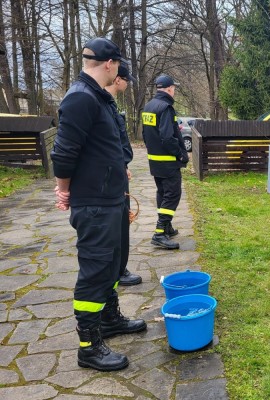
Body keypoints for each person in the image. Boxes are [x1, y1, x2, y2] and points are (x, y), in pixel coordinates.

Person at [51, 37, 146, 372]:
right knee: (95, 271)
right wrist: (64, 190)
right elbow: (63, 153)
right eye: (118, 65)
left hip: (111, 198)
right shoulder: (80, 98)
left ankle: (109, 318)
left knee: (114, 263)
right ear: (109, 64)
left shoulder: (99, 97)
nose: (118, 71)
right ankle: (89, 346)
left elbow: (106, 145)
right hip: (94, 203)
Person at [104, 62, 142, 286]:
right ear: (118, 79)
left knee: (122, 224)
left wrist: (123, 165)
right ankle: (118, 271)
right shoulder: (101, 104)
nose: (128, 85)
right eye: (127, 80)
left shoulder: (110, 105)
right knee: (117, 227)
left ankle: (120, 269)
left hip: (118, 171)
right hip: (109, 179)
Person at [142, 74, 188, 250]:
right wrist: (179, 154)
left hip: (155, 160)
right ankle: (160, 232)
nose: (174, 91)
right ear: (169, 89)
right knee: (173, 194)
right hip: (168, 161)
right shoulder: (166, 108)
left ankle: (167, 226)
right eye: (174, 88)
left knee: (162, 192)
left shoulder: (149, 106)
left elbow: (146, 135)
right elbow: (168, 137)